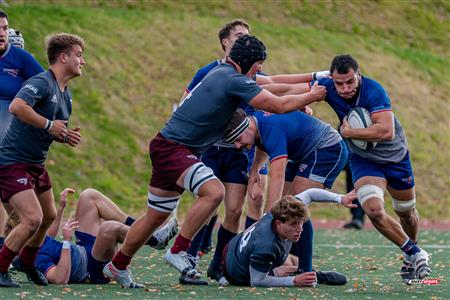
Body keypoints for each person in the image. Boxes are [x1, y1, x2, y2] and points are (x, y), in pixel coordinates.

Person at [103, 34, 327, 287]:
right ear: (248, 62)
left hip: (167, 145)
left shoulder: (222, 71)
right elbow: (277, 104)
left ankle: (118, 264)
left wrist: (310, 86)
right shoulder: (234, 79)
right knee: (214, 192)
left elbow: (276, 87)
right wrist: (312, 95)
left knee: (154, 217)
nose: (260, 70)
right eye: (258, 65)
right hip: (175, 148)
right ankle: (180, 250)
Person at [181, 20, 328, 284]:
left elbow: (275, 85)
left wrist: (313, 82)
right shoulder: (212, 71)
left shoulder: (247, 74)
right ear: (225, 42)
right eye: (238, 37)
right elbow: (186, 102)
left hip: (241, 150)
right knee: (209, 203)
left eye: (247, 37)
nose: (243, 41)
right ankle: (189, 258)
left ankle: (220, 264)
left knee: (236, 208)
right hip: (214, 148)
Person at [314, 54, 431, 282]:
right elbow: (291, 89)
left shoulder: (373, 90)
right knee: (374, 210)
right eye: (339, 83)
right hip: (364, 159)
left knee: (406, 211)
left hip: (395, 158)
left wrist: (348, 133)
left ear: (358, 75)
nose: (345, 88)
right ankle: (414, 252)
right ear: (332, 79)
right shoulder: (328, 86)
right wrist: (256, 84)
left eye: (350, 81)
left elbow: (386, 130)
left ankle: (411, 251)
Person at [0, 33, 85, 288]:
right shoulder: (41, 82)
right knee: (32, 219)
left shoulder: (65, 94)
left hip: (36, 164)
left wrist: (64, 135)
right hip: (12, 162)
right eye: (79, 56)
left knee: (48, 215)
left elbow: (52, 127)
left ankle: (27, 263)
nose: (83, 61)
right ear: (63, 57)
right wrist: (50, 126)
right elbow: (16, 106)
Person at [226, 108, 348, 274]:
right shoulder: (256, 125)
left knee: (295, 206)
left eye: (238, 139)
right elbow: (262, 145)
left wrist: (268, 218)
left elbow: (277, 176)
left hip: (328, 149)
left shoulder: (270, 129)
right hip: (304, 152)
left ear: (248, 128)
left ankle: (305, 269)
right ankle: (291, 261)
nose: (237, 145)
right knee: (286, 208)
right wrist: (255, 170)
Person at [11, 188, 177, 285]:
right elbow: (60, 278)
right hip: (92, 269)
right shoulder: (33, 259)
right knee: (109, 228)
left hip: (85, 248)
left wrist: (61, 208)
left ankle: (150, 232)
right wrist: (67, 242)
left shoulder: (33, 239)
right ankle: (154, 238)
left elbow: (49, 234)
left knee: (88, 196)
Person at [223, 191, 355, 287]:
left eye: (300, 223)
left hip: (238, 248)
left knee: (305, 220)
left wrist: (340, 198)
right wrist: (293, 281)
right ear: (278, 223)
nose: (300, 229)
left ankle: (305, 270)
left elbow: (310, 194)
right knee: (283, 267)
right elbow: (256, 281)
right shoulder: (265, 246)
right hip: (237, 274)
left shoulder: (280, 213)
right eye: (293, 224)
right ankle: (303, 274)